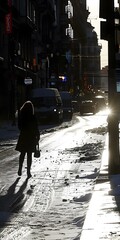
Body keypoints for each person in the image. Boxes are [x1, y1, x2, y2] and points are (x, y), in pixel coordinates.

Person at [15, 101, 40, 178]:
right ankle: (28, 171)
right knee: (29, 155)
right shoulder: (33, 116)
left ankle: (20, 168)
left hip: (23, 137)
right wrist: (37, 136)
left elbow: (19, 127)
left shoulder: (22, 116)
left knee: (22, 154)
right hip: (31, 137)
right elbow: (36, 127)